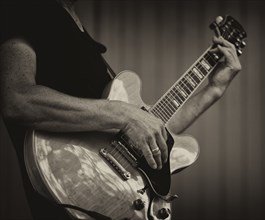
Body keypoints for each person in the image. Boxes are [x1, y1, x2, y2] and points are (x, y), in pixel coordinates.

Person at [0, 0, 241, 219]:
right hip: (69, 183)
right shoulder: (25, 10)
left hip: (115, 195)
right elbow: (18, 99)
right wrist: (125, 115)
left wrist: (213, 89)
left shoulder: (79, 33)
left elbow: (150, 135)